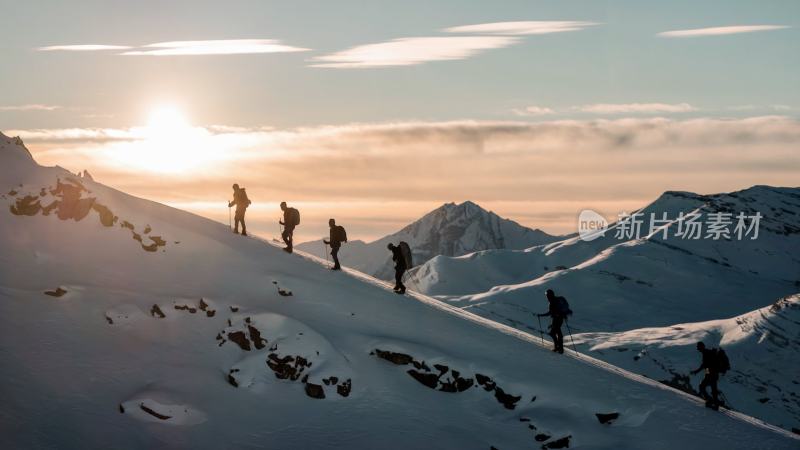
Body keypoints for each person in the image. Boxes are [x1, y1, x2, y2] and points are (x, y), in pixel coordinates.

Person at [691, 341, 721, 409]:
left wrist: (697, 371)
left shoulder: (706, 353)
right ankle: (715, 404)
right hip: (714, 374)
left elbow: (705, 365)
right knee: (713, 389)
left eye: (698, 347)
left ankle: (710, 401)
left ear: (701, 347)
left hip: (711, 374)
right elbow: (706, 365)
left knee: (702, 386)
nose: (698, 349)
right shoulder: (708, 352)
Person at [537, 289, 566, 353]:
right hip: (560, 319)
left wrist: (541, 315)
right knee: (557, 333)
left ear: (549, 295)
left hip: (556, 320)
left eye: (547, 295)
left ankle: (558, 348)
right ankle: (559, 348)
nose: (546, 296)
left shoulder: (552, 302)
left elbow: (550, 313)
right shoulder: (556, 300)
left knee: (553, 333)